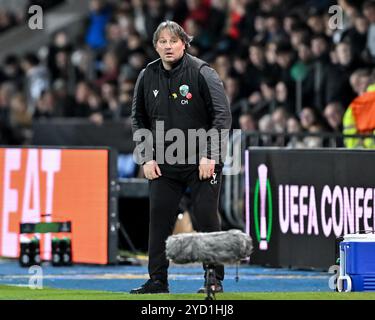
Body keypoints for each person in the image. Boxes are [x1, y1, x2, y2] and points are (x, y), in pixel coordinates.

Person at [130, 21, 232, 294]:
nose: (167, 46)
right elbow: (138, 119)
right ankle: (157, 281)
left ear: (184, 43)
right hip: (164, 162)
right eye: (162, 42)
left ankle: (214, 278)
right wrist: (147, 158)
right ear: (155, 46)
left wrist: (210, 155)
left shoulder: (202, 72)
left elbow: (222, 117)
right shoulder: (147, 75)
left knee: (206, 218)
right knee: (159, 217)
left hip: (202, 160)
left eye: (173, 41)